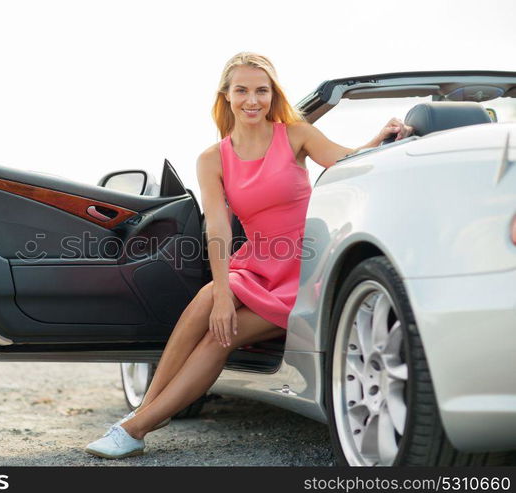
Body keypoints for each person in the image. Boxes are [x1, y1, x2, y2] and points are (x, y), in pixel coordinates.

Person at [84, 52, 413, 459]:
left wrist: (380, 139)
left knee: (223, 335)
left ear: (273, 95)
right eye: (242, 90)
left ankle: (137, 426)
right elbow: (217, 228)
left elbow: (347, 161)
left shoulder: (296, 134)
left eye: (262, 90)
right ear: (226, 95)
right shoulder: (212, 158)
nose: (252, 100)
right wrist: (223, 293)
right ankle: (147, 410)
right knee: (207, 302)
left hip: (302, 268)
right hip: (254, 264)